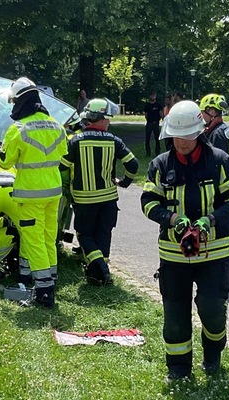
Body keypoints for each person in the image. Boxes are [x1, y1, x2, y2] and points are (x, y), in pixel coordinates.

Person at [140, 100, 229, 381]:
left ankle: (213, 354)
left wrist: (210, 221)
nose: (180, 142)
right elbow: (148, 202)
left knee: (212, 309)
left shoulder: (220, 161)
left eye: (186, 136)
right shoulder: (161, 165)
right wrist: (172, 220)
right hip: (174, 256)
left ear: (199, 132)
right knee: (175, 314)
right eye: (175, 135)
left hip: (216, 253)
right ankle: (178, 368)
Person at [0, 77, 67, 308]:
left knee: (34, 240)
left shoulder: (17, 129)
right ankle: (51, 280)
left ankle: (44, 292)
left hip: (30, 195)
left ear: (19, 101)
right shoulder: (57, 125)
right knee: (49, 238)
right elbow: (63, 154)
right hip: (53, 193)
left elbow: (6, 162)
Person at [61, 98, 138, 285]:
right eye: (108, 119)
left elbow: (62, 166)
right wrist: (124, 182)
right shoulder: (114, 141)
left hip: (84, 200)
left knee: (85, 235)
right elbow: (133, 164)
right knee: (104, 235)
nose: (109, 122)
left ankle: (100, 270)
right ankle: (100, 274)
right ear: (102, 119)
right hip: (108, 199)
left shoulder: (75, 141)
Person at [143, 91, 163, 156]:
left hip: (156, 123)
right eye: (152, 95)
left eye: (154, 95)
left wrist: (159, 120)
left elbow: (161, 114)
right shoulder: (147, 105)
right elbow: (146, 115)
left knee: (157, 138)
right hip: (149, 123)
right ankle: (148, 152)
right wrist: (149, 120)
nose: (153, 97)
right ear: (149, 96)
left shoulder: (158, 105)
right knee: (147, 138)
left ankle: (157, 152)